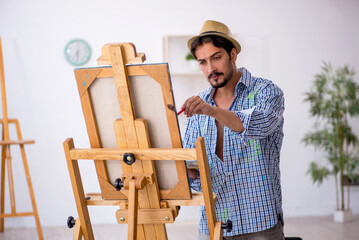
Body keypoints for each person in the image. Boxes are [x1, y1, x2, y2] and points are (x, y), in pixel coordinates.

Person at [182, 20, 285, 240]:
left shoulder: (267, 92)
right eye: (203, 62)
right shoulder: (197, 108)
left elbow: (259, 125)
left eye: (216, 57)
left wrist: (211, 111)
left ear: (233, 54)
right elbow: (192, 168)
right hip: (213, 223)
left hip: (259, 224)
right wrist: (182, 167)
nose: (210, 69)